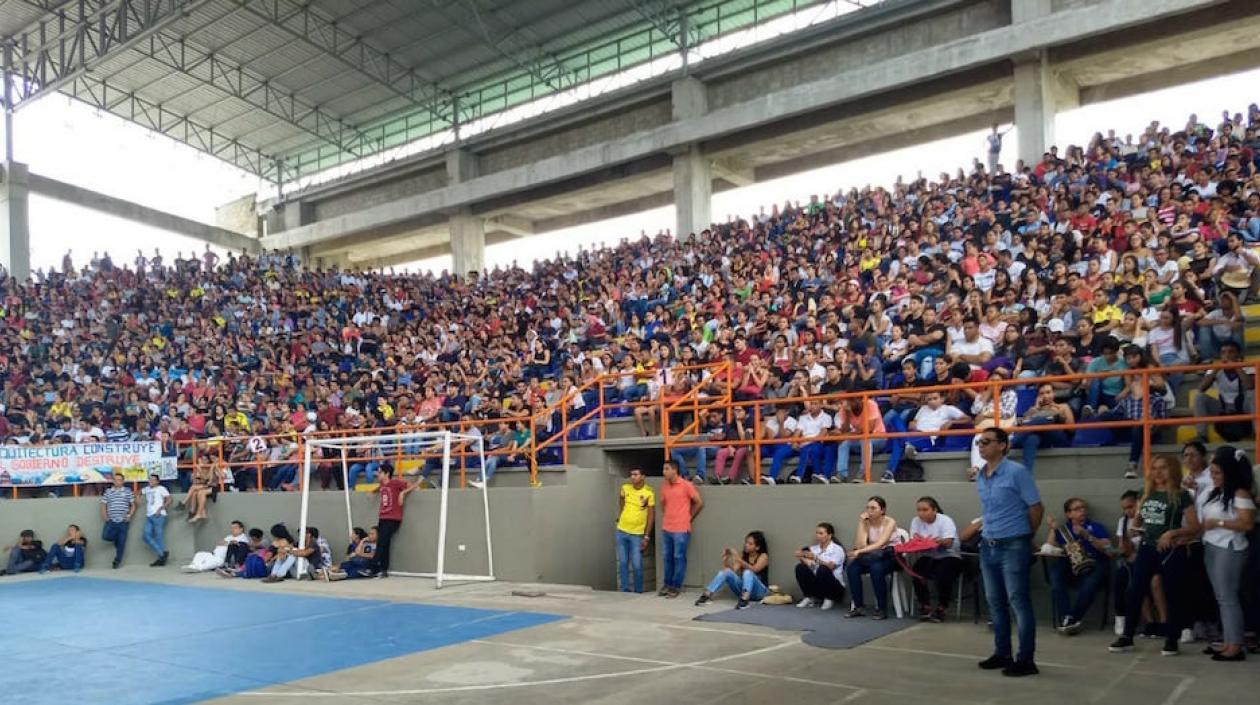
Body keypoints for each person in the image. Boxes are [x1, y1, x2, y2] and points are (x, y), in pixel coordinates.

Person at [1109, 453, 1200, 656]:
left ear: (1173, 470)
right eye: (1155, 468)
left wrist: (1173, 533)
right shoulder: (1146, 493)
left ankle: (1171, 638)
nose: (1158, 472)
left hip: (1171, 549)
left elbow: (1195, 527)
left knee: (1173, 593)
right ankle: (1127, 636)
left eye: (1163, 468)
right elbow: (1138, 520)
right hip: (1148, 547)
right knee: (1134, 590)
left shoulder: (1181, 495)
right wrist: (1135, 528)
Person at [974, 426, 1043, 677]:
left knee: (1018, 602)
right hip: (988, 545)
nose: (981, 446)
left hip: (1014, 544)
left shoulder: (1017, 472)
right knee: (995, 602)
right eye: (979, 442)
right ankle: (1002, 653)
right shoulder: (981, 475)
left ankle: (1026, 659)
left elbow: (1036, 508)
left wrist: (1026, 536)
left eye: (987, 441)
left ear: (1002, 445)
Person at [1199, 446, 1256, 661]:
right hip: (1212, 546)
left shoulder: (1240, 493)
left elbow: (1247, 523)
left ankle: (1236, 645)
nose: (1213, 477)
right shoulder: (1217, 492)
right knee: (1222, 597)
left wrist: (1218, 523)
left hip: (1229, 547)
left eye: (1217, 473)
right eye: (1211, 472)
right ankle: (1228, 640)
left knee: (1228, 597)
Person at [1044, 498, 1111, 635]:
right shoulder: (1064, 529)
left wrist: (1087, 536)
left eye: (1083, 508)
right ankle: (1067, 617)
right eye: (1077, 508)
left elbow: (1108, 548)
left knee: (1090, 583)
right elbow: (1049, 548)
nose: (1082, 511)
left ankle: (1073, 619)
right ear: (1069, 514)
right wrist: (1053, 529)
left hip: (1094, 562)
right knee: (1055, 575)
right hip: (1071, 563)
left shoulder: (1095, 526)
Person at [845, 496, 899, 620]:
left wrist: (859, 551)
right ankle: (858, 607)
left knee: (876, 569)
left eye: (873, 508)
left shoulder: (890, 522)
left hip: (890, 556)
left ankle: (881, 609)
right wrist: (861, 523)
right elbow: (860, 544)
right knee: (852, 568)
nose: (870, 511)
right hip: (872, 556)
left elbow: (881, 543)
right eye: (868, 508)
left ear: (882, 510)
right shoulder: (866, 522)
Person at [908, 496, 962, 623]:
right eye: (919, 510)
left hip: (949, 555)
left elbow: (948, 542)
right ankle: (925, 605)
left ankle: (942, 607)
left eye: (925, 510)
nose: (921, 513)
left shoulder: (945, 520)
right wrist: (920, 542)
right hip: (929, 555)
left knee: (943, 574)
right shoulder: (916, 521)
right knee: (916, 571)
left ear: (934, 510)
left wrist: (935, 541)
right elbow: (914, 540)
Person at [658, 460, 703, 598]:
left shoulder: (686, 485)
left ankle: (676, 586)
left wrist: (688, 517)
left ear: (674, 470)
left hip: (681, 528)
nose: (664, 472)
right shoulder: (664, 486)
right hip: (667, 527)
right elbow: (663, 504)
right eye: (664, 469)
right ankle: (667, 584)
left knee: (679, 557)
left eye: (666, 469)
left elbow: (699, 502)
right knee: (667, 557)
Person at [694, 531, 770, 609]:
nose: (746, 545)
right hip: (743, 592)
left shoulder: (763, 556)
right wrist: (725, 560)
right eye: (746, 542)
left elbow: (755, 569)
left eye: (750, 544)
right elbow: (732, 572)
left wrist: (738, 558)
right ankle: (706, 595)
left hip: (760, 593)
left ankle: (745, 601)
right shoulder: (743, 556)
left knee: (747, 572)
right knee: (726, 571)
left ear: (757, 547)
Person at [370, 464, 421, 578]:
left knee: (381, 542)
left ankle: (372, 568)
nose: (377, 474)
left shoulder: (396, 483)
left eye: (380, 472)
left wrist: (403, 493)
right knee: (385, 543)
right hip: (382, 517)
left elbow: (413, 486)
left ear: (387, 473)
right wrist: (373, 492)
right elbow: (380, 489)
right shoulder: (382, 484)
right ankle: (384, 569)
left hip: (393, 518)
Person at [1010, 383, 1074, 472]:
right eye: (1042, 393)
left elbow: (1071, 430)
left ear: (1053, 394)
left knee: (1043, 420)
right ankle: (1027, 473)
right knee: (1032, 438)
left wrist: (1059, 415)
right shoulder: (1033, 410)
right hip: (1042, 440)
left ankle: (1011, 443)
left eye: (1048, 392)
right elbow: (1022, 424)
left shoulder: (1062, 407)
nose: (1045, 396)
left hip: (1058, 437)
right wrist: (1035, 409)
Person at [615, 467, 655, 593]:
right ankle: (625, 589)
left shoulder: (648, 492)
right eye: (631, 474)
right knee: (622, 563)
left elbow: (651, 515)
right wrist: (621, 515)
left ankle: (638, 591)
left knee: (637, 564)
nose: (632, 477)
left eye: (636, 475)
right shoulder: (625, 488)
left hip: (637, 534)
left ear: (643, 477)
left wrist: (646, 536)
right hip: (622, 530)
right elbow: (621, 501)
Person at [794, 522, 846, 610]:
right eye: (817, 533)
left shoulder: (837, 549)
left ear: (829, 535)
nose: (818, 536)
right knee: (800, 567)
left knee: (823, 569)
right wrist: (801, 556)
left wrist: (815, 558)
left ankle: (829, 598)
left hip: (834, 587)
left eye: (821, 533)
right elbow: (810, 565)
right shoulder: (814, 548)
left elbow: (830, 567)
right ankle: (809, 597)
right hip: (818, 585)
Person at [182, 521, 250, 573]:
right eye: (231, 528)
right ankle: (193, 566)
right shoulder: (229, 536)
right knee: (199, 554)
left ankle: (197, 568)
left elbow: (239, 546)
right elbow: (219, 543)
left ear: (241, 529)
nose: (232, 529)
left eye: (234, 528)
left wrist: (228, 543)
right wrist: (227, 542)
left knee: (209, 563)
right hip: (213, 554)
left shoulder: (242, 538)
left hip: (220, 559)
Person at [100, 472, 136, 569]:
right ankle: (116, 539)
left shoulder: (128, 491)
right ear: (113, 481)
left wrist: (129, 516)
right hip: (111, 520)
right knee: (105, 536)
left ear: (123, 481)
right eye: (115, 480)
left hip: (123, 521)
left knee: (121, 544)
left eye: (120, 480)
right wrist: (105, 516)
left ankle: (117, 561)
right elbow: (103, 504)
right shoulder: (108, 491)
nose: (117, 482)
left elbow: (133, 505)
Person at [141, 473, 172, 567]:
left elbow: (169, 499)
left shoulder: (161, 488)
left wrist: (161, 508)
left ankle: (161, 557)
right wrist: (137, 498)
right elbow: (138, 492)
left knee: (159, 537)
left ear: (157, 481)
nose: (151, 481)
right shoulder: (146, 489)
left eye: (153, 480)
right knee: (145, 535)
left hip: (159, 515)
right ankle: (162, 554)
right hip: (149, 515)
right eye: (150, 479)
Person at [184, 459, 216, 524]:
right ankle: (199, 513)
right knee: (195, 492)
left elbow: (208, 480)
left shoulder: (211, 468)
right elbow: (196, 481)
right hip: (205, 486)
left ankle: (197, 513)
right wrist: (196, 473)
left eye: (204, 460)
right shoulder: (200, 469)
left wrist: (200, 470)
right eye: (201, 461)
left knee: (198, 490)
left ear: (208, 461)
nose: (202, 462)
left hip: (213, 486)